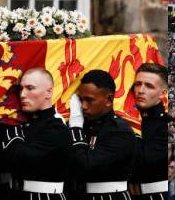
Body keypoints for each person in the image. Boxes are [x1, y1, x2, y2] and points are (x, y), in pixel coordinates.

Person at [0, 68, 71, 199]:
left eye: (30, 88)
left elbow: (23, 159)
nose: (22, 94)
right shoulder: (23, 122)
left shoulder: (56, 127)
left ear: (48, 92)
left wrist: (13, 133)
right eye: (20, 89)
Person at [66, 70, 137, 199]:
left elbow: (85, 166)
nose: (83, 106)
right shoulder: (85, 126)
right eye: (80, 100)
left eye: (89, 100)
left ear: (109, 100)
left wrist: (76, 128)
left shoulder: (120, 131)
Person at [129, 63, 169, 199]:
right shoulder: (130, 117)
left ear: (163, 93)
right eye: (137, 84)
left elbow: (143, 163)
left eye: (149, 86)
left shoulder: (165, 125)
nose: (141, 90)